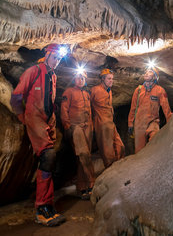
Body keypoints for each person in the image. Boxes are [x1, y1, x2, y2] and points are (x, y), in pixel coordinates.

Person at [10, 43, 66, 227]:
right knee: (48, 156)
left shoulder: (54, 76)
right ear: (47, 54)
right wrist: (23, 117)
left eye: (59, 59)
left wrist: (52, 121)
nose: (57, 61)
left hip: (47, 121)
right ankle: (41, 208)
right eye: (55, 57)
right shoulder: (33, 71)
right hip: (34, 118)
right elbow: (17, 96)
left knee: (49, 160)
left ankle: (47, 205)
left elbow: (49, 101)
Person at [60, 69, 95, 200]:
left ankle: (82, 187)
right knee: (83, 154)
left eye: (83, 78)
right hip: (76, 127)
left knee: (84, 157)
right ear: (74, 79)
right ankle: (92, 183)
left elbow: (89, 111)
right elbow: (64, 110)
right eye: (78, 78)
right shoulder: (69, 92)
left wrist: (91, 125)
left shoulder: (86, 93)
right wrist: (68, 126)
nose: (80, 80)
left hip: (87, 127)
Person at [128, 67, 172, 153]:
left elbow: (166, 109)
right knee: (139, 151)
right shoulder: (138, 90)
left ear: (155, 77)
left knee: (155, 143)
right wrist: (130, 123)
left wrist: (171, 123)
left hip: (153, 122)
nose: (146, 73)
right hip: (139, 124)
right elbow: (133, 108)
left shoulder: (160, 90)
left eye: (150, 72)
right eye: (146, 72)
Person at [91, 68, 125, 168]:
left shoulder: (109, 91)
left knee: (120, 146)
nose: (111, 81)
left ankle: (119, 167)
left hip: (110, 123)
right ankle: (110, 169)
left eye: (112, 79)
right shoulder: (95, 90)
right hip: (101, 124)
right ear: (103, 79)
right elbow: (88, 106)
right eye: (109, 79)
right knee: (107, 151)